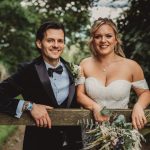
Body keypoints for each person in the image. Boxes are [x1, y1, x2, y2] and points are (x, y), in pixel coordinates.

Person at [0, 21, 83, 150]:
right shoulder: (27, 70)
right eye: (50, 40)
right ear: (39, 43)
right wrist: (29, 106)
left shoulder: (75, 70)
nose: (56, 45)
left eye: (60, 41)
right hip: (39, 144)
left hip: (73, 144)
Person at [76, 17, 150, 130]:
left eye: (108, 36)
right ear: (93, 40)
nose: (103, 40)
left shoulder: (132, 66)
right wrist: (95, 106)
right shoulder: (84, 64)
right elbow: (79, 95)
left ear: (116, 40)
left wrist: (139, 106)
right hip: (92, 129)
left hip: (122, 130)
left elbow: (145, 93)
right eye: (98, 36)